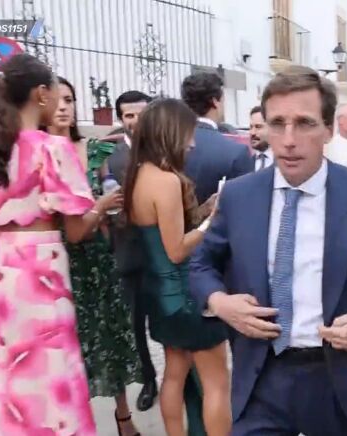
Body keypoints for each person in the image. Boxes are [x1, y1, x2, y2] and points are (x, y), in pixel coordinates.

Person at [189, 65, 347, 436]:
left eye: (304, 123)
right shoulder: (239, 196)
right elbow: (201, 265)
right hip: (260, 379)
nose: (289, 140)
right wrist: (220, 303)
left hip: (340, 381)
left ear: (328, 129)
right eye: (277, 123)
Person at [0, 53, 121, 434]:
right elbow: (76, 231)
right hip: (45, 269)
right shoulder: (53, 149)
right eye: (56, 93)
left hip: (4, 269)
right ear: (41, 94)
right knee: (53, 365)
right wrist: (101, 207)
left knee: (9, 366)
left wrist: (5, 237)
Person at [123, 98, 231, 436]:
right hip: (188, 298)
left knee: (174, 374)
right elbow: (177, 250)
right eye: (188, 133)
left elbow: (161, 234)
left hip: (161, 296)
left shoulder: (138, 174)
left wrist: (203, 210)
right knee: (217, 384)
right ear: (169, 132)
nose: (192, 142)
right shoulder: (166, 181)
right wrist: (212, 221)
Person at [45, 77, 142, 436]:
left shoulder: (93, 149)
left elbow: (109, 191)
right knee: (68, 346)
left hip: (97, 258)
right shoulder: (36, 152)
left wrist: (110, 208)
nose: (63, 107)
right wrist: (99, 207)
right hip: (55, 260)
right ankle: (74, 421)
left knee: (110, 336)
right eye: (56, 100)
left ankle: (123, 416)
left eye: (69, 99)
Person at [105, 90, 160, 413]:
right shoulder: (109, 160)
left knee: (171, 323)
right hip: (128, 256)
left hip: (167, 254)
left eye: (142, 114)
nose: (136, 121)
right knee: (135, 326)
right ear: (121, 119)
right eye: (129, 115)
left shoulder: (168, 151)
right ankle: (148, 379)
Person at [181, 71, 253, 205]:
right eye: (224, 100)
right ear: (215, 102)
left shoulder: (167, 144)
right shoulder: (236, 152)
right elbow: (244, 204)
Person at [249, 105, 274, 170]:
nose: (252, 132)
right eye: (251, 127)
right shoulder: (246, 164)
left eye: (258, 127)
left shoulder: (284, 163)